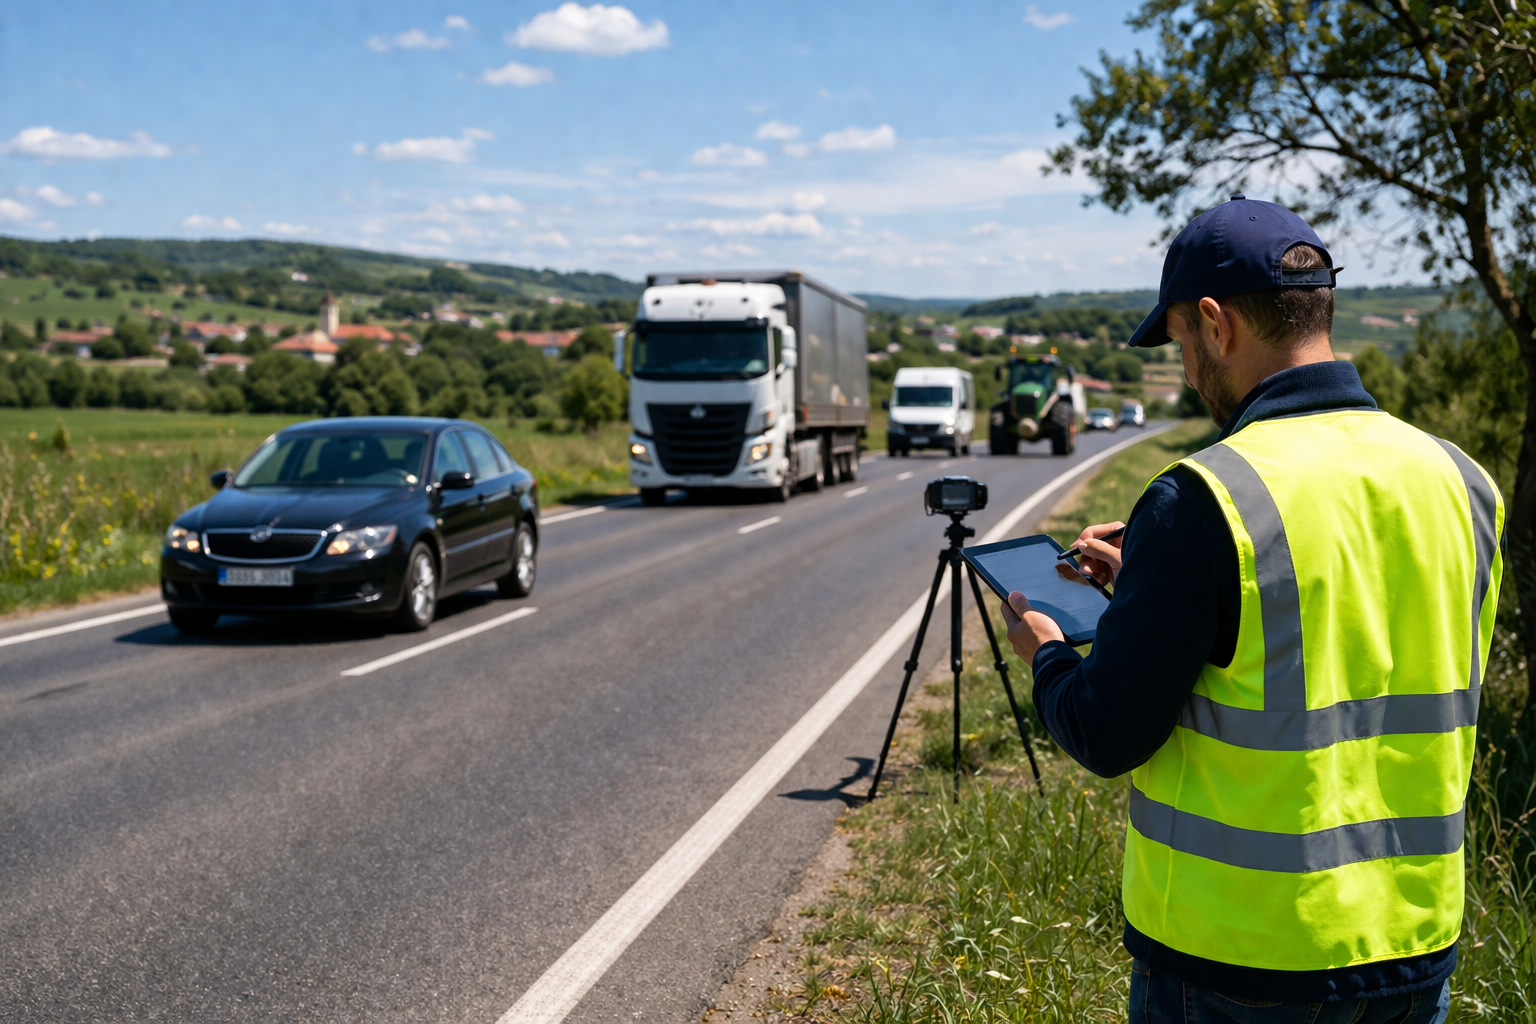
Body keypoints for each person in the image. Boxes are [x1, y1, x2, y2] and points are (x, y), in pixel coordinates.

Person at [999, 196, 1502, 1024]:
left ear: (1215, 323)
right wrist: (1151, 589)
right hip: (1413, 947)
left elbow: (1105, 730)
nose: (1189, 369)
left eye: (1181, 343)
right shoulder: (1462, 479)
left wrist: (1047, 651)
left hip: (1239, 963)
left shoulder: (1202, 499)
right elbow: (1334, 626)